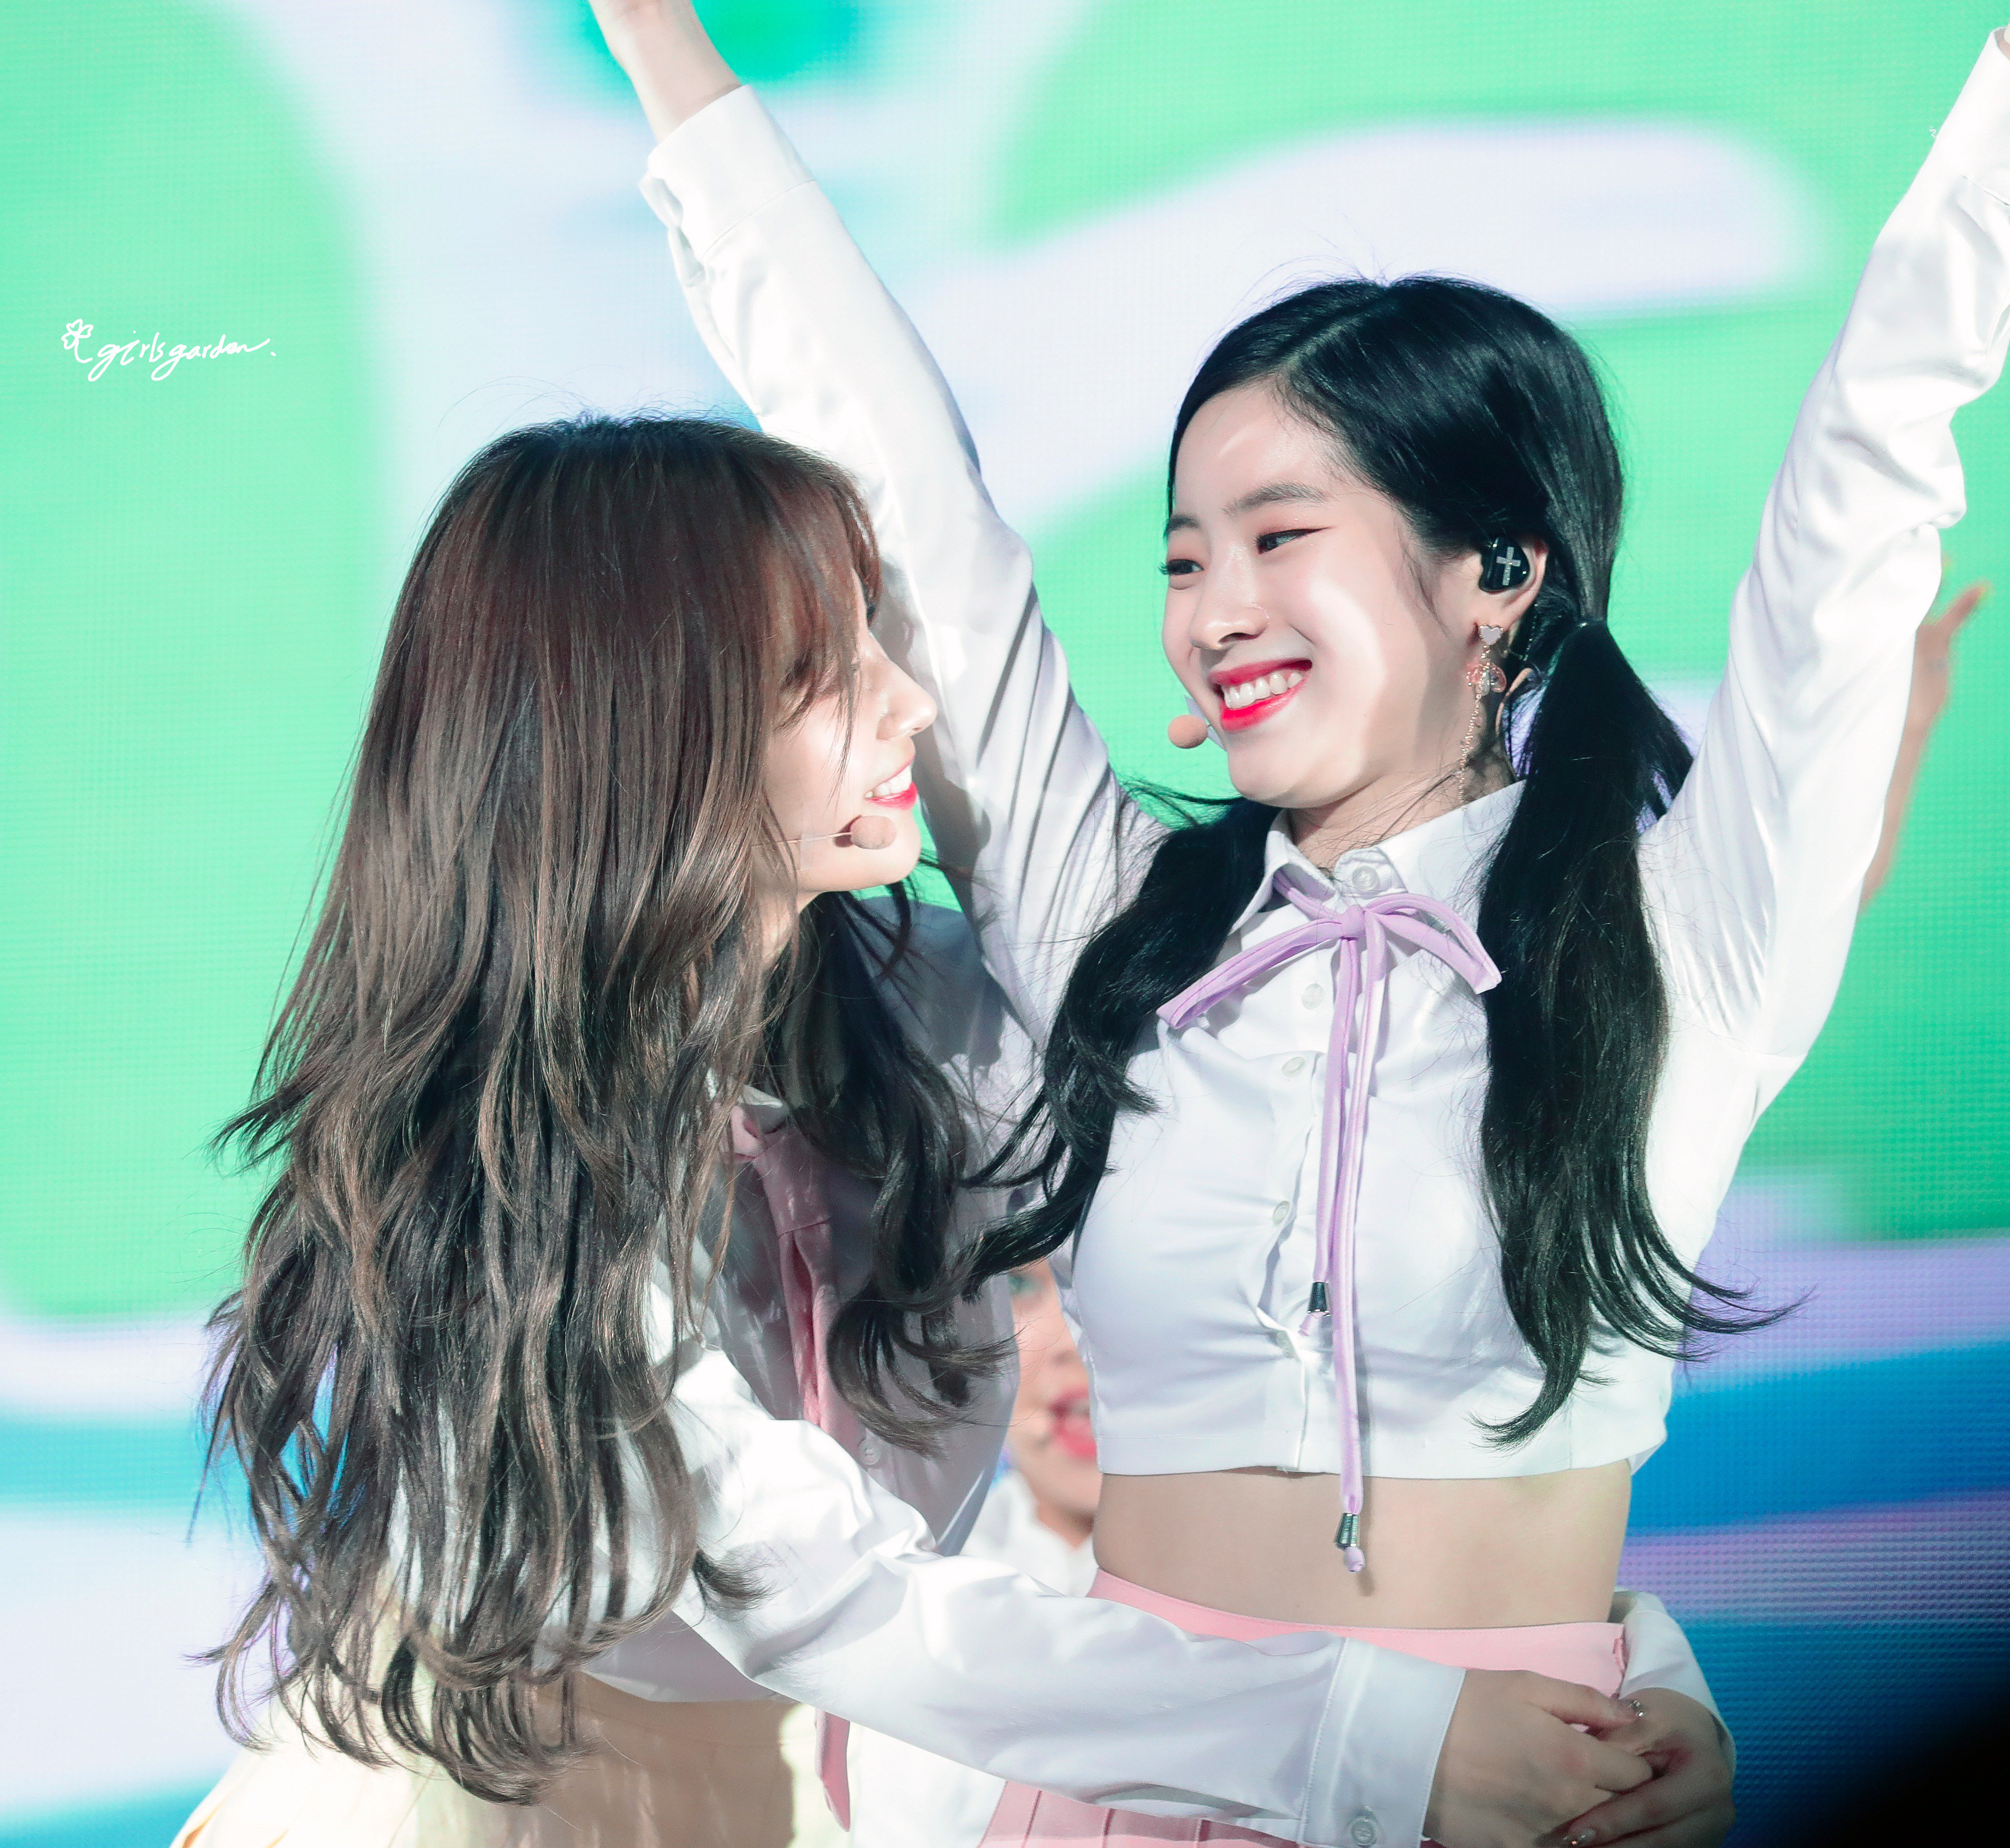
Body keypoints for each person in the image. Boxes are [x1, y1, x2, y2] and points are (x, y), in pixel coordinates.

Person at [609, 4, 2010, 1845]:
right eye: (1186, 557)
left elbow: (1866, 461)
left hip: (1542, 1806)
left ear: (1497, 573)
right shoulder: (1109, 930)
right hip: (1124, 1803)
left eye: (1281, 538)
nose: (1215, 608)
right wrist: (662, 48)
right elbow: (899, 480)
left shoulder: (1684, 941)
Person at [164, 408, 1679, 1848]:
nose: (910, 700)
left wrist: (1601, 1694)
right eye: (820, 674)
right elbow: (824, 1598)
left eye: (880, 639)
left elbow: (1344, 1254)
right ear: (643, 737)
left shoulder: (936, 1013)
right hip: (473, 1808)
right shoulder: (512, 1193)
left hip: (820, 1793)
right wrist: (1394, 1744)